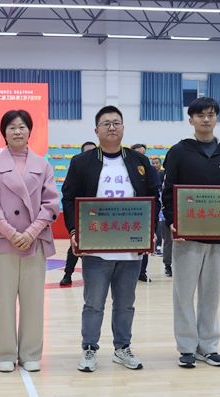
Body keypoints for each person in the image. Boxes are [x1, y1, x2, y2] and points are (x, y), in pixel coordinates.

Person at [62, 105, 159, 373]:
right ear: (96, 130)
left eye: (116, 122)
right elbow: (68, 198)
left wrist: (150, 229)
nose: (112, 127)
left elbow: (153, 198)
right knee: (94, 303)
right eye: (106, 123)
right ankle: (89, 348)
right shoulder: (81, 162)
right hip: (96, 248)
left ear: (124, 128)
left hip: (131, 247)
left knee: (125, 303)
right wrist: (74, 231)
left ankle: (122, 348)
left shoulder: (139, 162)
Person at [162, 97, 220, 368]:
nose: (206, 119)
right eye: (200, 115)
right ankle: (186, 347)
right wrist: (173, 222)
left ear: (216, 118)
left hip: (218, 236)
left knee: (211, 293)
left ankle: (208, 346)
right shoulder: (179, 151)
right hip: (187, 235)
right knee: (183, 294)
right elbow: (168, 191)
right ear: (191, 120)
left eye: (211, 114)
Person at [0, 110, 59, 372]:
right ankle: (5, 353)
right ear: (4, 132)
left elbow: (51, 204)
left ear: (29, 131)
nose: (17, 131)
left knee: (34, 300)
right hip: (4, 241)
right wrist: (12, 233)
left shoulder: (43, 165)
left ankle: (30, 353)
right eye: (12, 127)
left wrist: (31, 232)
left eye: (22, 126)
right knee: (5, 301)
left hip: (35, 241)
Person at [59, 140, 96, 287]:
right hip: (81, 216)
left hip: (100, 216)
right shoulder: (77, 168)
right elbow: (68, 195)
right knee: (75, 245)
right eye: (87, 152)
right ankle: (68, 274)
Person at [130, 144, 153, 283]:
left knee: (143, 243)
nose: (141, 156)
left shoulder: (148, 170)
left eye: (143, 153)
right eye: (138, 153)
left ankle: (142, 272)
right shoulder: (124, 169)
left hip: (143, 212)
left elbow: (154, 191)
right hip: (126, 213)